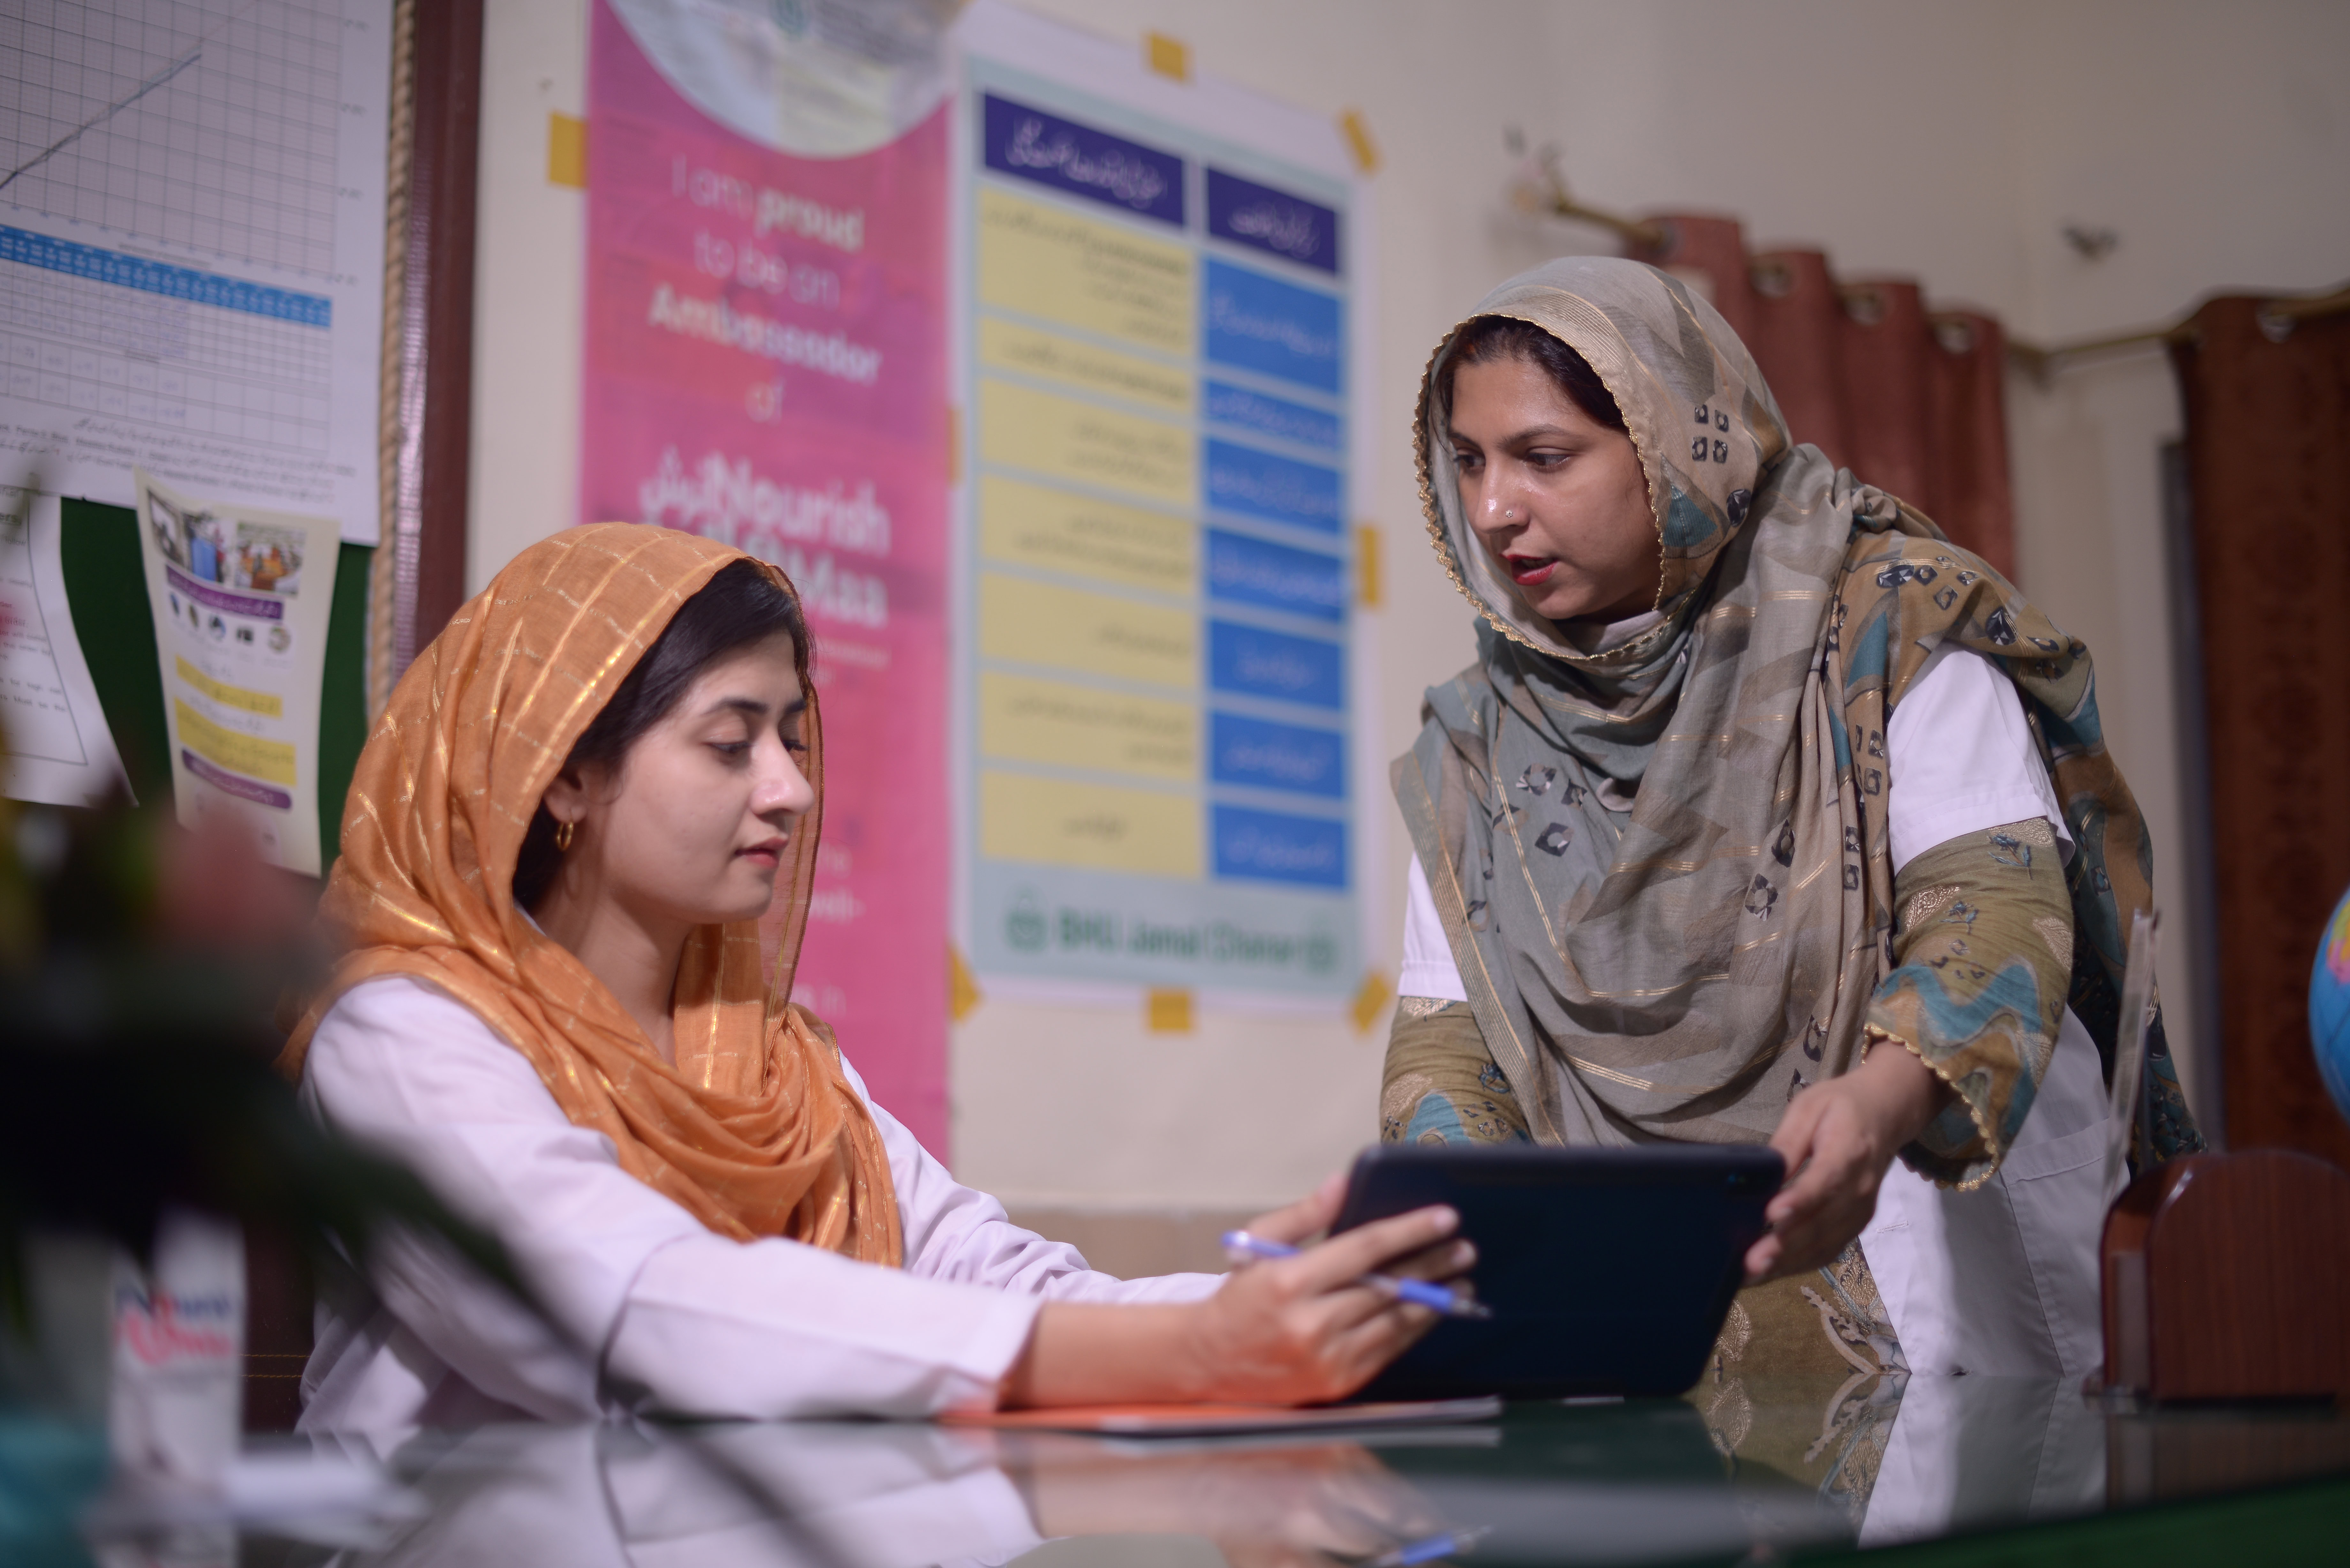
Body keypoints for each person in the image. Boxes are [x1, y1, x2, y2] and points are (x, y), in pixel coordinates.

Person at [281, 524, 1468, 1432]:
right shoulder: (402, 1034)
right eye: (729, 741)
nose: (791, 789)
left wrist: (1277, 1305)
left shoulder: (777, 1059)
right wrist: (1198, 1351)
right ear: (565, 775)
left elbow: (994, 1277)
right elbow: (627, 1309)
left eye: (791, 736)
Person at [1382, 258, 2202, 1387]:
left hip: (1943, 1284)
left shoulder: (1886, 623)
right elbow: (1448, 1050)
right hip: (1659, 1329)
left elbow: (1997, 912)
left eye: (1544, 457)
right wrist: (1457, 1252)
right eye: (1468, 462)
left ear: (1677, 446)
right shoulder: (1475, 746)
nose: (1491, 509)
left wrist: (1875, 1105)